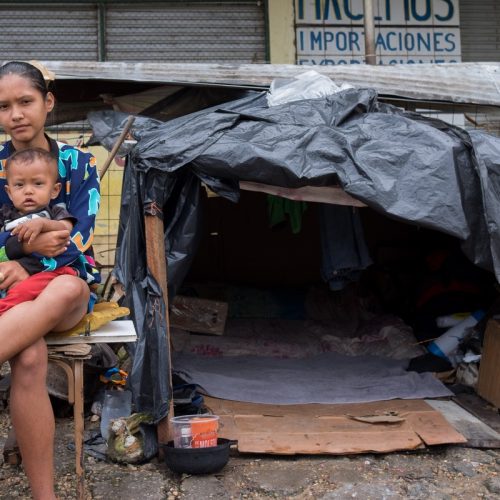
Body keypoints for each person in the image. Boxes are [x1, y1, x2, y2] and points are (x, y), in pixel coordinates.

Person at [0, 60, 100, 499]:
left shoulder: (79, 164)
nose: (15, 114)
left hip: (63, 291)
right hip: (8, 291)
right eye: (4, 106)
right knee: (27, 357)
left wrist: (29, 251)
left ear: (48, 102)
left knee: (68, 286)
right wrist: (19, 252)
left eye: (25, 102)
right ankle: (46, 496)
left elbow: (77, 238)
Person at [0, 147, 84, 313]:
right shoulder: (5, 216)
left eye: (38, 183)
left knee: (25, 290)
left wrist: (44, 224)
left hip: (50, 271)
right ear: (9, 192)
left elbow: (65, 231)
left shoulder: (55, 212)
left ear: (54, 190)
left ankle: (4, 312)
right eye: (19, 185)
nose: (28, 190)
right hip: (11, 271)